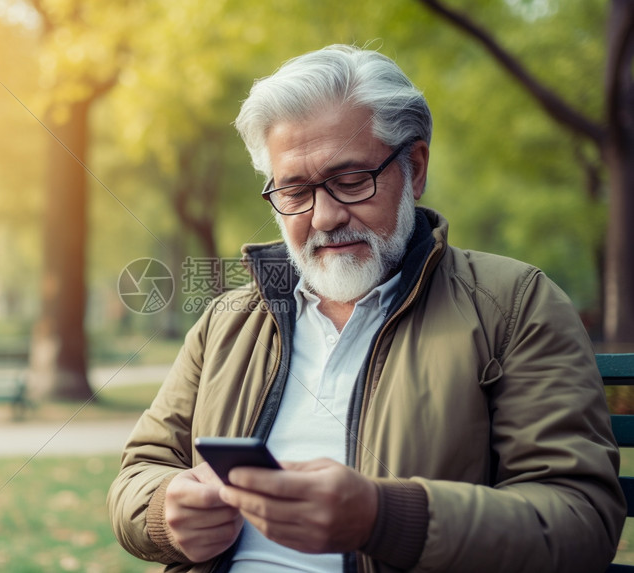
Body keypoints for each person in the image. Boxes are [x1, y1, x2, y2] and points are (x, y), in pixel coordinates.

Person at [108, 45, 626, 572]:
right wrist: (163, 508)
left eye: (351, 180)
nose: (326, 216)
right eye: (294, 190)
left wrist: (384, 518)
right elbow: (140, 470)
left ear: (415, 168)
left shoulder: (513, 306)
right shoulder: (229, 319)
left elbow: (580, 521)